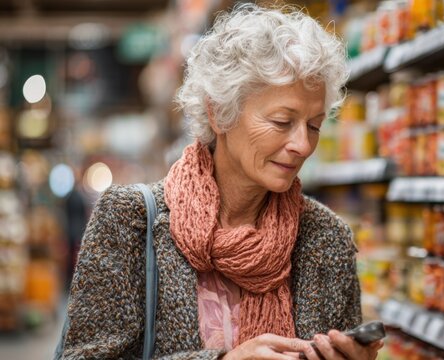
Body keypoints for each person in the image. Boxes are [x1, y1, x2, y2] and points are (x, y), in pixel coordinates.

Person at [60, 4, 382, 360]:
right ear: (218, 111)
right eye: (281, 121)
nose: (303, 145)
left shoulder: (328, 239)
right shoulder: (131, 222)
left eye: (314, 125)